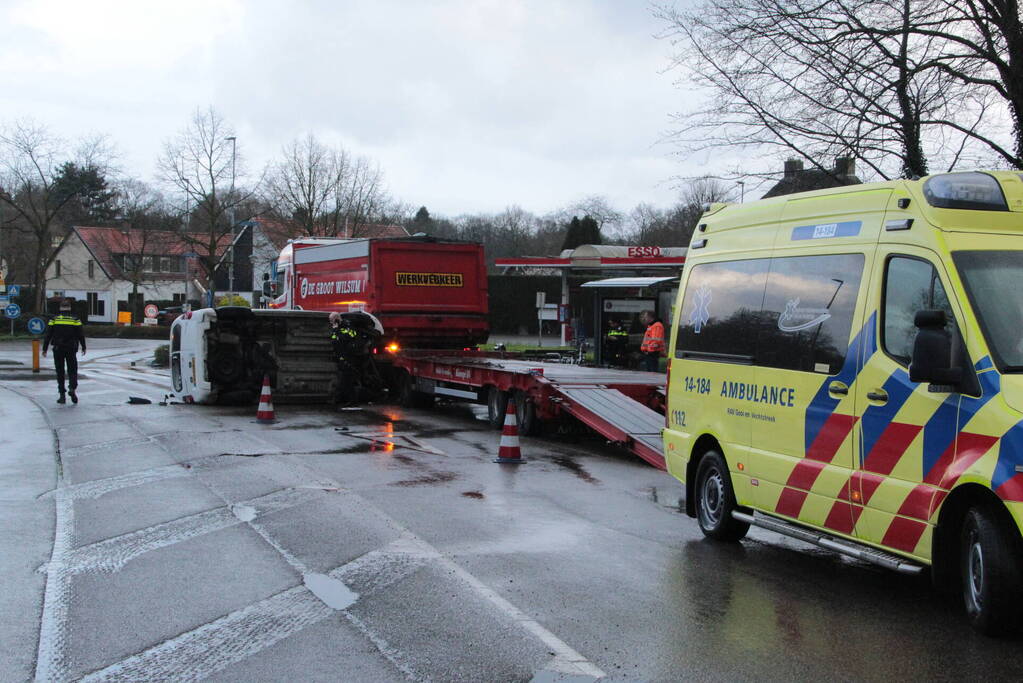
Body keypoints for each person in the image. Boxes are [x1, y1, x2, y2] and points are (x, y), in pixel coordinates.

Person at [329, 311, 384, 405]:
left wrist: (336, 330)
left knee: (347, 380)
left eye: (332, 320)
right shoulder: (339, 328)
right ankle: (342, 400)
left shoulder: (348, 327)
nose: (331, 323)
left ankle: (352, 401)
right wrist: (336, 331)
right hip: (343, 358)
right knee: (344, 380)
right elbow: (334, 339)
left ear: (337, 319)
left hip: (349, 358)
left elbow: (347, 337)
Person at [42, 298, 87, 404]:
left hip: (58, 349)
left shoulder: (54, 319)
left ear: (60, 309)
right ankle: (72, 388)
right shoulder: (75, 319)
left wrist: (44, 348)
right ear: (70, 309)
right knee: (72, 370)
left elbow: (48, 335)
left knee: (60, 372)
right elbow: (81, 334)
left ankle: (62, 396)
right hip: (71, 348)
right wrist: (83, 346)